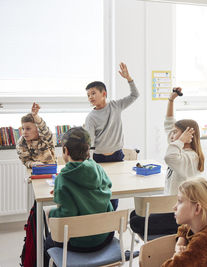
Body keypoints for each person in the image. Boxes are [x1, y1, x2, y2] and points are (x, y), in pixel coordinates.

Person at [130, 87, 204, 239]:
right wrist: (171, 100)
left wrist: (180, 141)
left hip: (181, 217)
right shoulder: (179, 149)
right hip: (172, 208)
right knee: (134, 214)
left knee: (136, 220)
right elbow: (169, 124)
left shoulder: (190, 157)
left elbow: (169, 158)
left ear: (187, 136)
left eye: (176, 132)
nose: (172, 134)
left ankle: (166, 241)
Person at [44, 127, 114, 267]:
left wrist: (50, 214)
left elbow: (67, 214)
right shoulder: (98, 168)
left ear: (66, 151)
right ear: (88, 150)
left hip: (79, 243)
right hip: (105, 236)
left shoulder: (63, 178)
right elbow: (108, 186)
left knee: (47, 242)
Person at [84, 62, 139, 210]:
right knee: (102, 192)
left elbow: (135, 95)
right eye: (88, 95)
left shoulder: (116, 106)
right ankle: (103, 222)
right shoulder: (91, 117)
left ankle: (111, 222)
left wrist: (129, 79)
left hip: (117, 156)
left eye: (93, 93)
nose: (90, 97)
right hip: (100, 158)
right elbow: (90, 142)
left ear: (104, 94)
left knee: (115, 190)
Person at [17, 102, 56, 168]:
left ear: (37, 129)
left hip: (51, 169)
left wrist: (35, 116)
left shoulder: (46, 137)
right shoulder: (21, 142)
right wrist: (33, 164)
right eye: (23, 129)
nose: (24, 132)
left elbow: (43, 127)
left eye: (28, 129)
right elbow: (25, 161)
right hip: (34, 171)